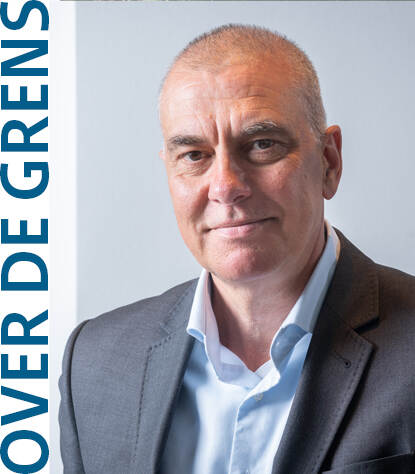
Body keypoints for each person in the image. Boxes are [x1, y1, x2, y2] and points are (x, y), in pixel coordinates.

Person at [59, 24, 415, 474]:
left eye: (262, 145)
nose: (226, 186)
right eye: (194, 155)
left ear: (329, 162)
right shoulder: (94, 364)